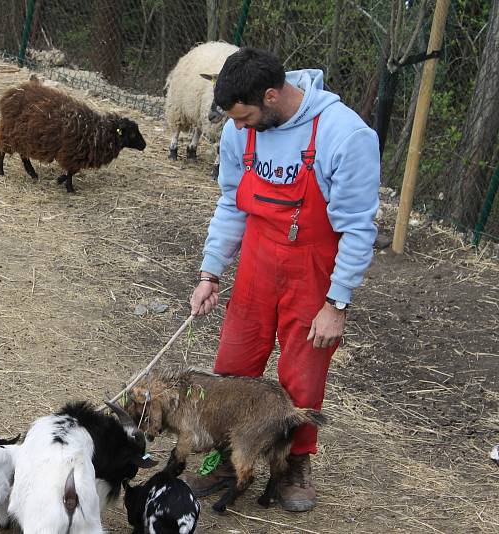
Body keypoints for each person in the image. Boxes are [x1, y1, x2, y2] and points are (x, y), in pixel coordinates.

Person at [186, 48, 380, 512]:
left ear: (272, 96)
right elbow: (232, 202)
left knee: (303, 376)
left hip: (313, 267)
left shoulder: (345, 134)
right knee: (234, 363)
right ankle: (230, 456)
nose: (237, 128)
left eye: (245, 117)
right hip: (257, 258)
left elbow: (358, 227)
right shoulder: (240, 132)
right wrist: (212, 271)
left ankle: (294, 462)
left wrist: (337, 303)